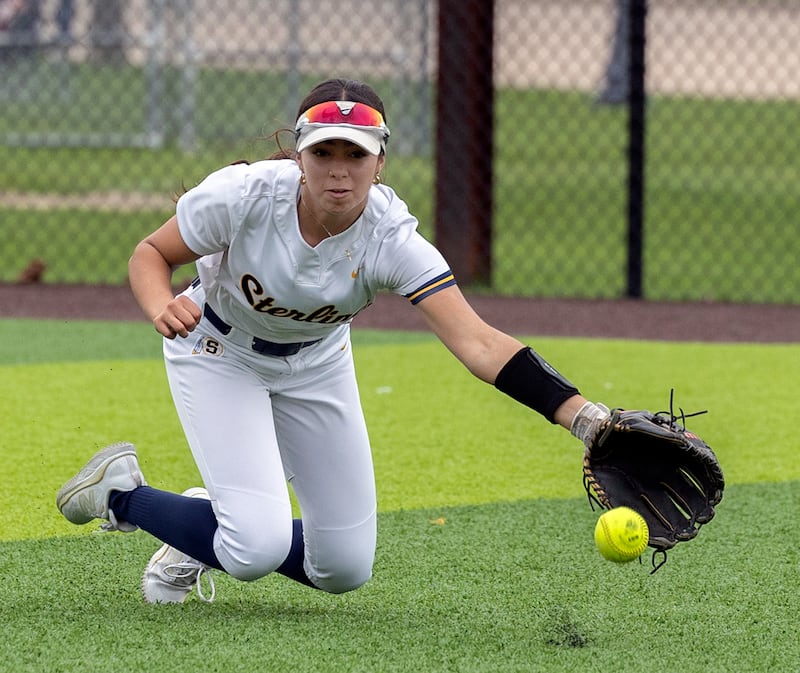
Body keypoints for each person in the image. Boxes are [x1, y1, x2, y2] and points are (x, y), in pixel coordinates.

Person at [56, 78, 612, 604]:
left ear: (381, 163)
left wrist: (588, 420)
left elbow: (480, 345)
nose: (339, 172)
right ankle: (120, 493)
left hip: (317, 365)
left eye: (356, 155)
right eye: (324, 154)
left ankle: (206, 522)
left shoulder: (391, 238)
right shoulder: (244, 196)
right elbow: (150, 254)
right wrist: (160, 304)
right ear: (300, 157)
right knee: (255, 549)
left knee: (343, 568)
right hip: (218, 352)